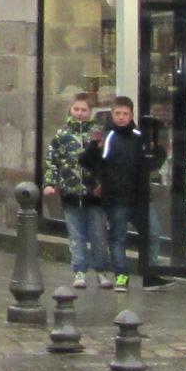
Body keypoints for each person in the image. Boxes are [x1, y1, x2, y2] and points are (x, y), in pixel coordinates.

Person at [85, 96, 162, 291]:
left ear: (131, 115)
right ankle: (121, 276)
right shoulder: (108, 137)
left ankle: (150, 274)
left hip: (139, 196)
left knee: (152, 232)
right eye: (117, 113)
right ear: (112, 114)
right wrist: (103, 182)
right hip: (116, 197)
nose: (121, 117)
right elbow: (94, 162)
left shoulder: (139, 136)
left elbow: (150, 162)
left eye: (125, 113)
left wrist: (158, 151)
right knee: (118, 237)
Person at [43, 89, 110, 289]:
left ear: (90, 112)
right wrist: (49, 183)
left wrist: (105, 184)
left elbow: (107, 162)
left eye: (84, 110)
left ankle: (101, 270)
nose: (80, 113)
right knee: (76, 235)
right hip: (71, 193)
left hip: (95, 194)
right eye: (76, 109)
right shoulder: (62, 135)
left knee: (98, 235)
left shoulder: (98, 135)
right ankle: (79, 270)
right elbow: (52, 161)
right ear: (70, 110)